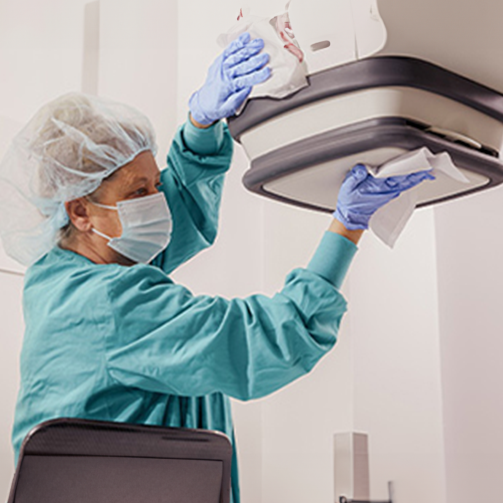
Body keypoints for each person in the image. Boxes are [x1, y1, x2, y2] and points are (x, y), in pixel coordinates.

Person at [0, 32, 433, 503]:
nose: (157, 201)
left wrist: (201, 124)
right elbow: (262, 340)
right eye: (139, 192)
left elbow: (177, 213)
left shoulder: (64, 274)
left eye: (156, 183)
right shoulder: (109, 304)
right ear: (79, 211)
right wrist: (347, 228)